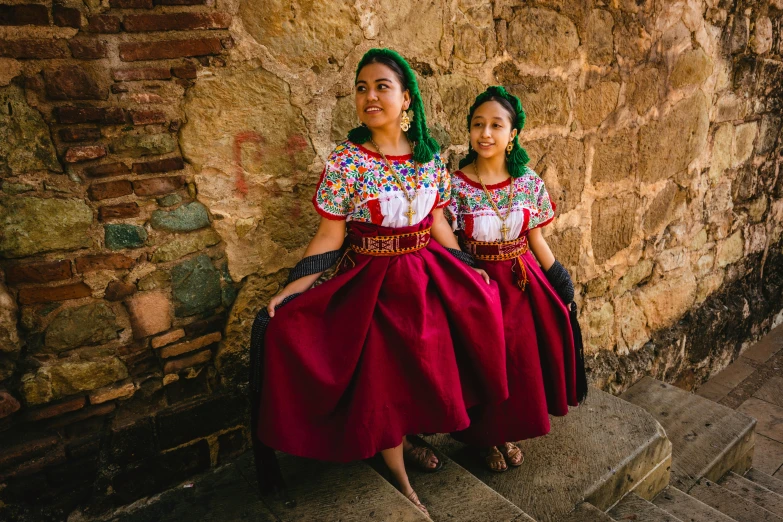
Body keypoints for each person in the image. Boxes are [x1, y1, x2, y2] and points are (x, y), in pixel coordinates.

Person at [253, 49, 509, 517]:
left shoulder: (430, 160)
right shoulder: (348, 161)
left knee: (431, 360)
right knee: (382, 377)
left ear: (407, 98)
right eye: (361, 88)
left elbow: (436, 221)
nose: (370, 96)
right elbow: (330, 235)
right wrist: (291, 289)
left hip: (427, 273)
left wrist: (464, 264)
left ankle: (413, 439)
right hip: (371, 281)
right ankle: (399, 475)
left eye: (382, 87)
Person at [446, 86, 580, 472]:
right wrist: (468, 279)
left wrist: (562, 283)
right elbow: (450, 243)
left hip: (522, 284)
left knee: (519, 360)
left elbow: (536, 238)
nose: (485, 133)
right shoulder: (455, 186)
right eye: (477, 125)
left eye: (496, 125)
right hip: (480, 284)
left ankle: (507, 431)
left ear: (512, 134)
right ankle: (484, 437)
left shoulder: (529, 183)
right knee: (485, 362)